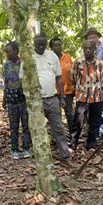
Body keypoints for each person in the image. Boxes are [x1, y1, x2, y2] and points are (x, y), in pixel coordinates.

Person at [23, 33, 74, 167]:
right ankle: (39, 159)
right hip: (36, 101)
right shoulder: (28, 58)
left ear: (46, 44)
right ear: (34, 44)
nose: (41, 47)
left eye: (43, 45)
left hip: (52, 99)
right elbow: (23, 79)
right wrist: (29, 97)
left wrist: (62, 97)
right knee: (37, 129)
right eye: (38, 44)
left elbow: (58, 78)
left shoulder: (52, 56)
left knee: (58, 129)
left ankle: (65, 156)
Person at [70, 40, 103, 150]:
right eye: (85, 48)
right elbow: (74, 78)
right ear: (83, 48)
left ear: (95, 49)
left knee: (94, 122)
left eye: (90, 48)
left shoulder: (99, 63)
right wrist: (79, 90)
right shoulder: (78, 62)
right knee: (78, 121)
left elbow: (101, 77)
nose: (88, 50)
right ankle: (73, 142)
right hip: (82, 96)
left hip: (96, 96)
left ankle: (91, 144)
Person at [2, 42, 31, 159]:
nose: (7, 54)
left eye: (8, 51)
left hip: (23, 99)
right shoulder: (7, 65)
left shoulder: (24, 64)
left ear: (15, 51)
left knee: (25, 125)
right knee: (13, 126)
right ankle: (14, 149)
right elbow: (6, 82)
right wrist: (4, 98)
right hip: (11, 100)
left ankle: (25, 148)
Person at [49, 37, 75, 137]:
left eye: (59, 45)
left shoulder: (67, 57)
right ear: (52, 48)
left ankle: (72, 134)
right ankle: (57, 136)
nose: (58, 47)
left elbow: (72, 72)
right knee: (56, 115)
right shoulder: (50, 59)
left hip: (68, 90)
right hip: (55, 91)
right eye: (55, 45)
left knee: (69, 113)